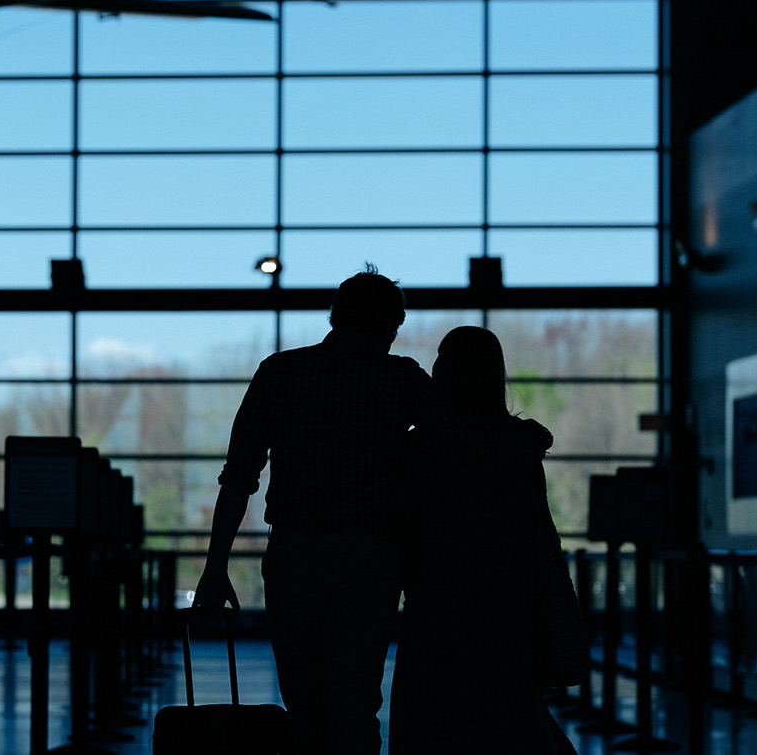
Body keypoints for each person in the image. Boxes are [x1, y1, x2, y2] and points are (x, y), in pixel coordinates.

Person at [193, 266, 552, 754]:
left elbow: (238, 478)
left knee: (304, 704)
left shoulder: (280, 371)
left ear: (335, 317)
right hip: (371, 558)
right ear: (390, 326)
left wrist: (216, 566)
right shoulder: (399, 378)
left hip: (295, 553)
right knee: (355, 706)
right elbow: (468, 442)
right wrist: (530, 436)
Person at [388, 325, 576, 754]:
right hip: (506, 607)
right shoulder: (518, 445)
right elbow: (536, 532)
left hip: (436, 606)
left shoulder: (421, 449)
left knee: (433, 721)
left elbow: (404, 525)